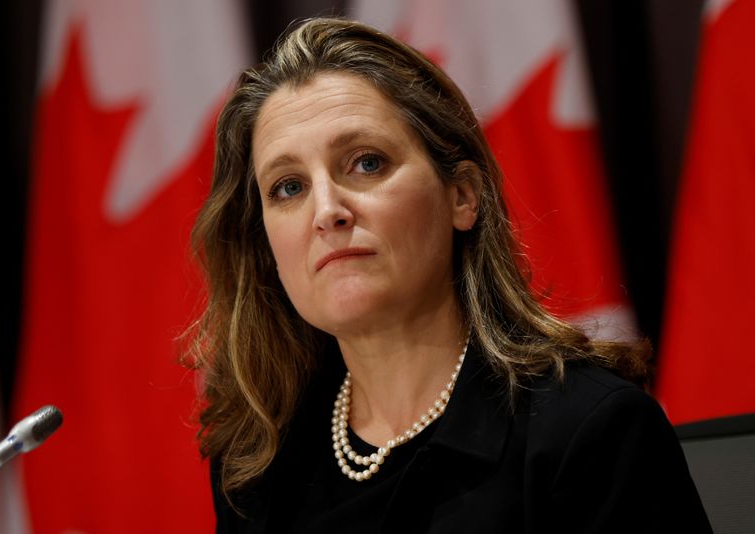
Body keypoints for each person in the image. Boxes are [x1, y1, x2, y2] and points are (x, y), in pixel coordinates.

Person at [187, 17, 712, 533]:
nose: (327, 210)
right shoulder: (256, 463)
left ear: (462, 196)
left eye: (366, 163)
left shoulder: (589, 433)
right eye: (288, 187)